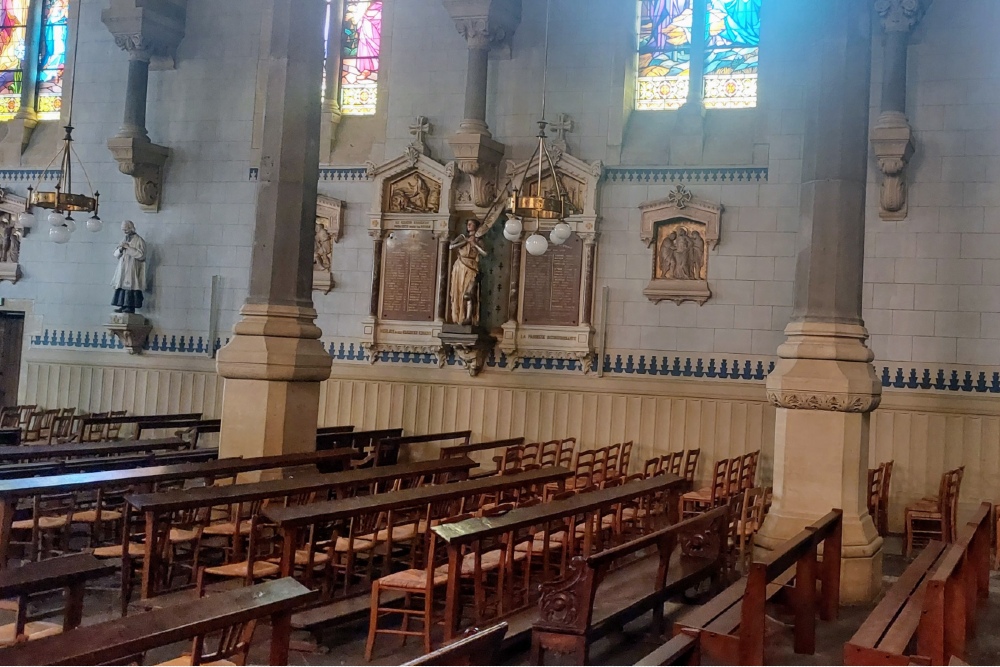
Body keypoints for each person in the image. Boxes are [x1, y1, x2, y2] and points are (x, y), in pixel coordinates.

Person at [448, 219, 488, 326]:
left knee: (468, 293)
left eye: (472, 224)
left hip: (471, 267)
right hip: (459, 267)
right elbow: (451, 246)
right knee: (458, 292)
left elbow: (484, 253)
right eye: (468, 224)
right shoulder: (462, 237)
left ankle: (469, 317)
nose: (469, 225)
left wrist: (474, 244)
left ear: (476, 226)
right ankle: (459, 317)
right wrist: (465, 241)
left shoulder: (479, 240)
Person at [111, 220, 147, 313]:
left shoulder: (139, 240)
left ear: (131, 228)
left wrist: (129, 248)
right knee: (121, 286)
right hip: (123, 267)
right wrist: (121, 248)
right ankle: (122, 305)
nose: (125, 232)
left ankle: (130, 306)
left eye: (126, 230)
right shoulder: (124, 239)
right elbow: (115, 254)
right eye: (123, 230)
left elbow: (141, 255)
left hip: (132, 267)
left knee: (131, 286)